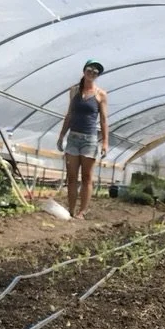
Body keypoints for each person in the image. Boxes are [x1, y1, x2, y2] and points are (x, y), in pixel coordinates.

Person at [57, 59, 108, 220]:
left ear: (97, 75)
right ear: (84, 70)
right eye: (90, 69)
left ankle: (82, 212)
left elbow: (104, 120)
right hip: (73, 137)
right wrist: (61, 135)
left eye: (96, 71)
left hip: (90, 139)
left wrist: (105, 141)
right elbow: (69, 114)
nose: (92, 73)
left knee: (86, 177)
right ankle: (71, 210)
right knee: (71, 177)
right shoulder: (74, 91)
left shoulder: (101, 94)